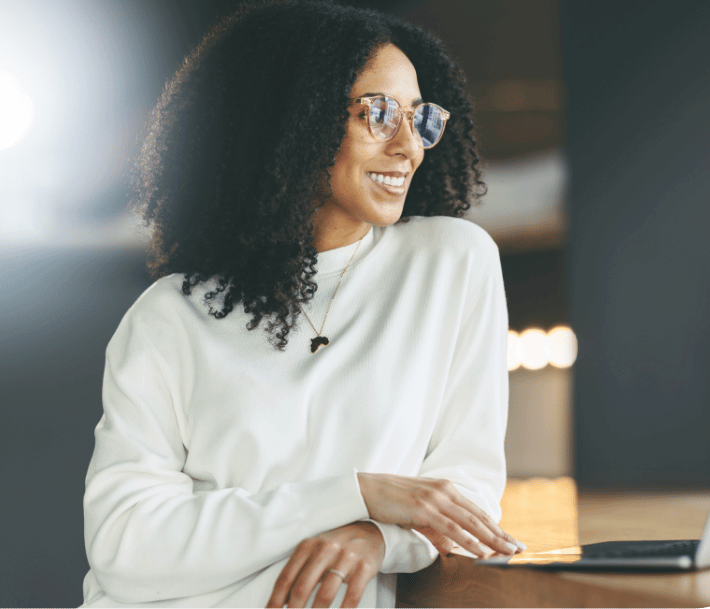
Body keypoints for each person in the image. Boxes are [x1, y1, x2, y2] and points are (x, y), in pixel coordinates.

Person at [80, 1, 521, 608]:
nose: (408, 148)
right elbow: (124, 544)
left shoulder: (451, 263)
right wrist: (357, 495)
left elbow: (463, 496)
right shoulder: (168, 317)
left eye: (420, 118)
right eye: (380, 113)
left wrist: (378, 536)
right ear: (295, 120)